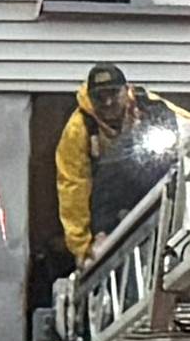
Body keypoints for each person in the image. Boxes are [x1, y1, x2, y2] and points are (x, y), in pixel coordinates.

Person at [53, 64, 176, 273]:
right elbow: (72, 187)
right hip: (109, 206)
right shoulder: (79, 129)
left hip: (155, 187)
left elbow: (189, 125)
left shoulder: (150, 106)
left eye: (113, 94)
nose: (108, 102)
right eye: (99, 97)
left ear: (127, 90)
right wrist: (82, 246)